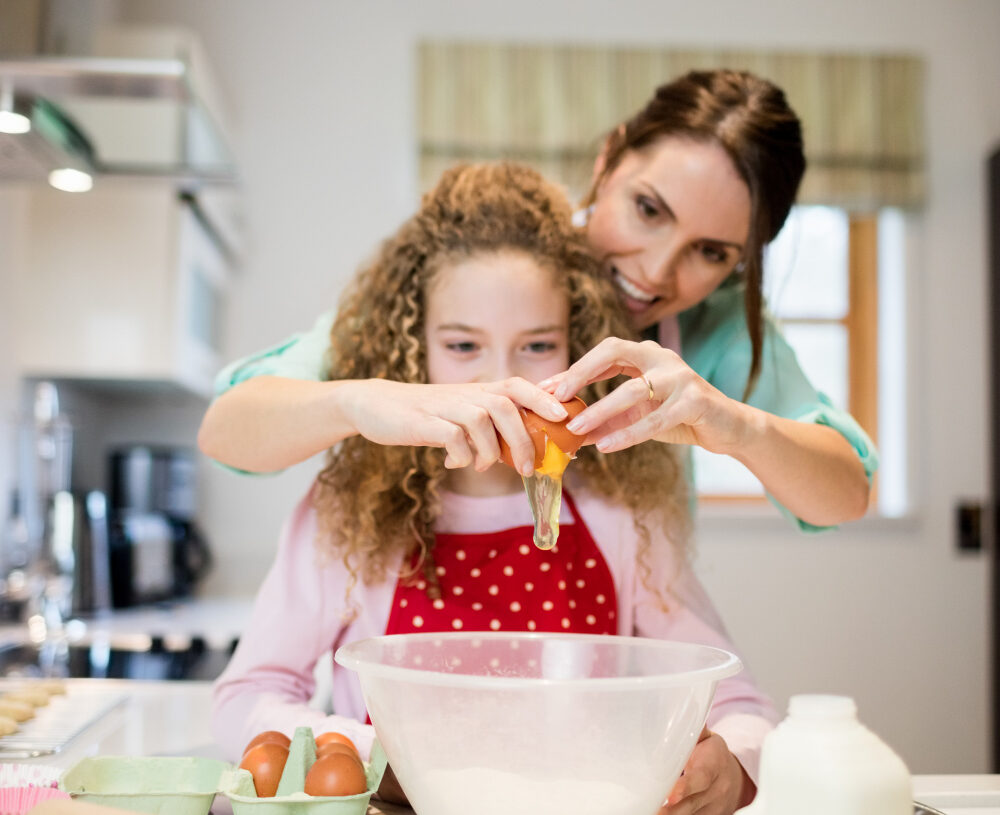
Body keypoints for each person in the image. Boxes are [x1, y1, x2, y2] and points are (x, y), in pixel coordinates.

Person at [211, 163, 775, 815]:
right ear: (413, 353)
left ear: (578, 349)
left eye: (537, 346)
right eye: (462, 345)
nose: (501, 385)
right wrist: (369, 751)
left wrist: (733, 764)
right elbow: (246, 695)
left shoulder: (620, 513)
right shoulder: (349, 513)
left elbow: (739, 703)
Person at [198, 69, 876, 531]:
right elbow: (228, 430)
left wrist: (737, 426)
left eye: (712, 252)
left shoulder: (714, 323)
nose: (657, 271)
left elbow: (846, 493)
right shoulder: (498, 265)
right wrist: (357, 400)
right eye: (648, 209)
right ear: (608, 159)